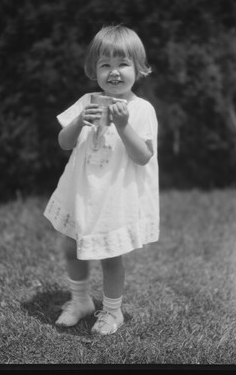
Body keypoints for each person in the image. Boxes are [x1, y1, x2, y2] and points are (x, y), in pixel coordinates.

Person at [43, 24, 159, 335]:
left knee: (110, 255)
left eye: (122, 64)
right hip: (81, 190)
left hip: (114, 195)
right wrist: (80, 120)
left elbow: (143, 156)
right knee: (71, 246)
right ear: (94, 70)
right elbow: (64, 143)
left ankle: (112, 311)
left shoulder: (141, 109)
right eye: (105, 64)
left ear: (138, 68)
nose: (114, 72)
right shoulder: (88, 101)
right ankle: (80, 300)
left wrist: (123, 126)